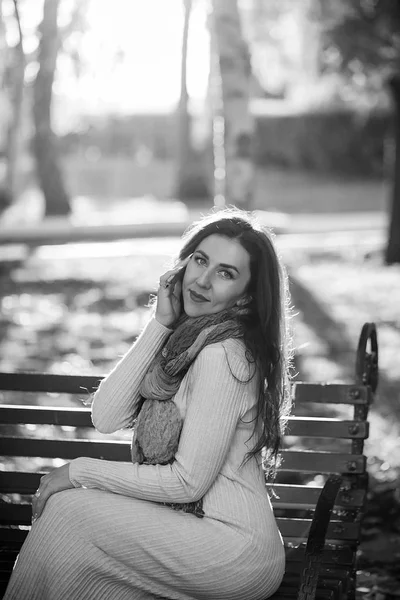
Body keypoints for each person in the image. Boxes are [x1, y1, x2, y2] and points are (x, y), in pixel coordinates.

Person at [4, 207, 293, 600]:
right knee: (77, 549)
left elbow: (188, 482)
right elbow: (106, 416)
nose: (203, 281)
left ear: (248, 293)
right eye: (200, 261)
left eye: (226, 273)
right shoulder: (185, 343)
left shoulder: (224, 354)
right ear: (182, 264)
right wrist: (159, 323)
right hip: (191, 530)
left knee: (70, 512)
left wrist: (78, 471)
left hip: (234, 548)